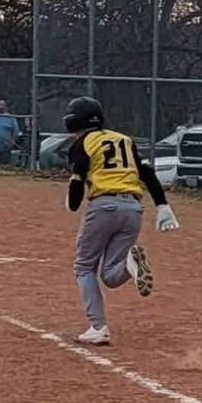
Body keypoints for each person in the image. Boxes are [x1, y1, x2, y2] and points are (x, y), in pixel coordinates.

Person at [62, 96, 178, 345]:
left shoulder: (83, 143)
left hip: (104, 205)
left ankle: (98, 327)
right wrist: (162, 206)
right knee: (110, 276)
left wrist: (72, 203)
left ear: (74, 122)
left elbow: (77, 180)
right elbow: (146, 173)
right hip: (134, 209)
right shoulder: (124, 140)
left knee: (84, 267)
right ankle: (130, 264)